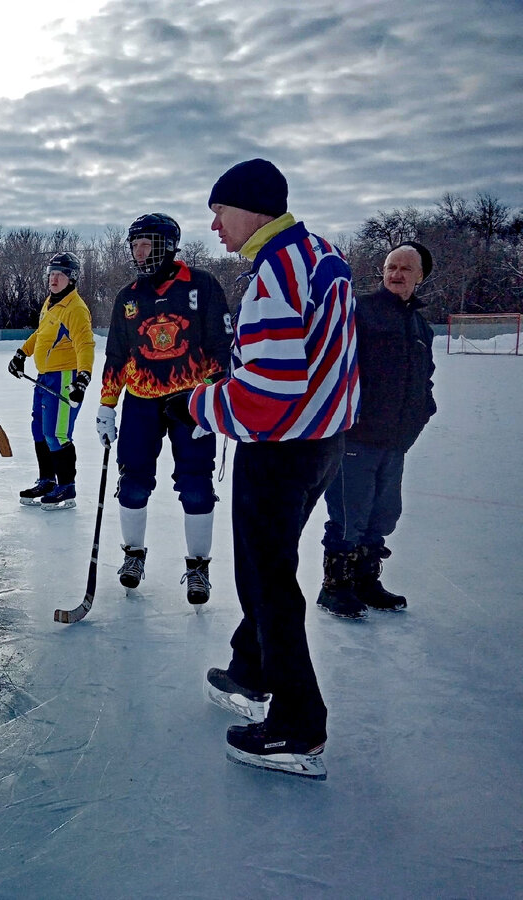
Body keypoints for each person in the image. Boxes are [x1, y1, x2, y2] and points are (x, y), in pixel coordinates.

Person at [177, 159, 359, 778]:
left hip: (282, 448)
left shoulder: (275, 275)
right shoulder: (318, 252)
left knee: (268, 577)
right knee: (266, 565)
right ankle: (251, 668)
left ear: (254, 209)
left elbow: (264, 400)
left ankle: (298, 725)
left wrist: (200, 401)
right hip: (321, 443)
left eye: (220, 209)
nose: (214, 224)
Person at [95, 213, 232, 604]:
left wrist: (211, 400)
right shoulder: (129, 296)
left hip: (190, 402)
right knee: (134, 483)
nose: (139, 253)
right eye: (134, 246)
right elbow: (116, 356)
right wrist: (107, 405)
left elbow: (223, 351)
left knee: (195, 486)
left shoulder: (202, 286)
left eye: (146, 244)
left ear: (168, 245)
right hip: (140, 401)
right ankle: (133, 555)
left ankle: (198, 568)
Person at [318, 242, 437, 618]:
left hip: (395, 441)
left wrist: (422, 413)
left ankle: (365, 580)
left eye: (405, 269)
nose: (396, 274)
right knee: (348, 514)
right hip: (356, 436)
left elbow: (424, 379)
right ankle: (335, 586)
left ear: (420, 277)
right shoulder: (361, 311)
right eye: (390, 267)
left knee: (383, 515)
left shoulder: (419, 325)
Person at [8, 252, 96, 510]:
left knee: (56, 433)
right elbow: (41, 333)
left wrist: (83, 378)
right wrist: (22, 353)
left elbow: (85, 344)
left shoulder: (76, 309)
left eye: (60, 274)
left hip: (64, 376)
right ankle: (47, 480)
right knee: (39, 431)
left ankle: (66, 485)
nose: (54, 279)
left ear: (72, 278)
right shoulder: (51, 303)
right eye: (51, 274)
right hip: (44, 378)